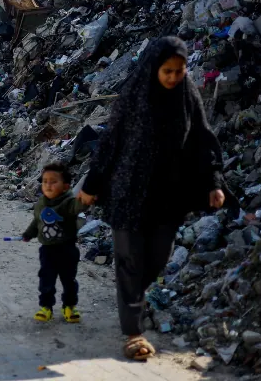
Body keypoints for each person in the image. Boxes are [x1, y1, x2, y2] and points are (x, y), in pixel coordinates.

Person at [77, 36, 226, 361]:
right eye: (167, 71)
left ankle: (132, 298)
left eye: (179, 71)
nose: (173, 77)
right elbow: (110, 142)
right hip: (128, 191)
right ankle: (133, 332)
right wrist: (92, 184)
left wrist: (214, 183)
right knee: (130, 261)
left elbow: (202, 137)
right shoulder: (135, 94)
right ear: (154, 67)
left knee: (157, 258)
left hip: (169, 195)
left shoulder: (186, 95)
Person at [22, 163, 87, 324]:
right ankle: (46, 307)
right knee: (46, 279)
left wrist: (86, 198)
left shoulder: (68, 202)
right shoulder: (41, 204)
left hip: (67, 249)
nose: (48, 185)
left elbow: (78, 206)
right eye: (45, 181)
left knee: (69, 280)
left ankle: (69, 307)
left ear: (66, 186)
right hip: (47, 250)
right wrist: (28, 234)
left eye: (53, 182)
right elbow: (37, 222)